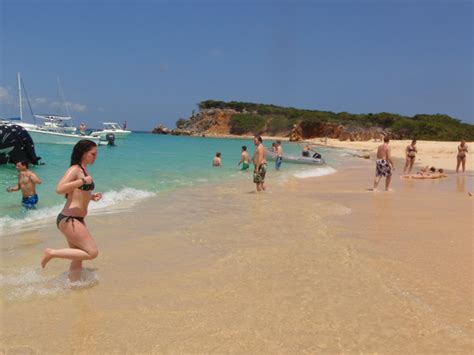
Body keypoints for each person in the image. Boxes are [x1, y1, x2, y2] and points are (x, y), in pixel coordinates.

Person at [41, 139, 102, 282]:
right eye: (93, 154)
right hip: (69, 220)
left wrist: (92, 197)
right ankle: (51, 253)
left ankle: (73, 286)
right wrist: (83, 181)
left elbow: (76, 193)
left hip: (76, 219)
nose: (95, 157)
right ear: (83, 153)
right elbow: (60, 189)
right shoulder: (74, 169)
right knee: (92, 252)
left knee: (78, 258)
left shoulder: (83, 170)